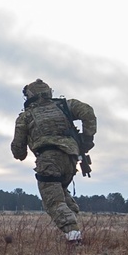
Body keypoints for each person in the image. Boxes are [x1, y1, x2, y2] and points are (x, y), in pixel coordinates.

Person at [10, 79, 96, 241]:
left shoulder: (26, 117)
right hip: (71, 158)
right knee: (61, 192)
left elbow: (18, 152)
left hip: (48, 159)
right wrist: (87, 138)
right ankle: (73, 216)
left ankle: (73, 235)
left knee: (53, 201)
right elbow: (87, 111)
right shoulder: (65, 106)